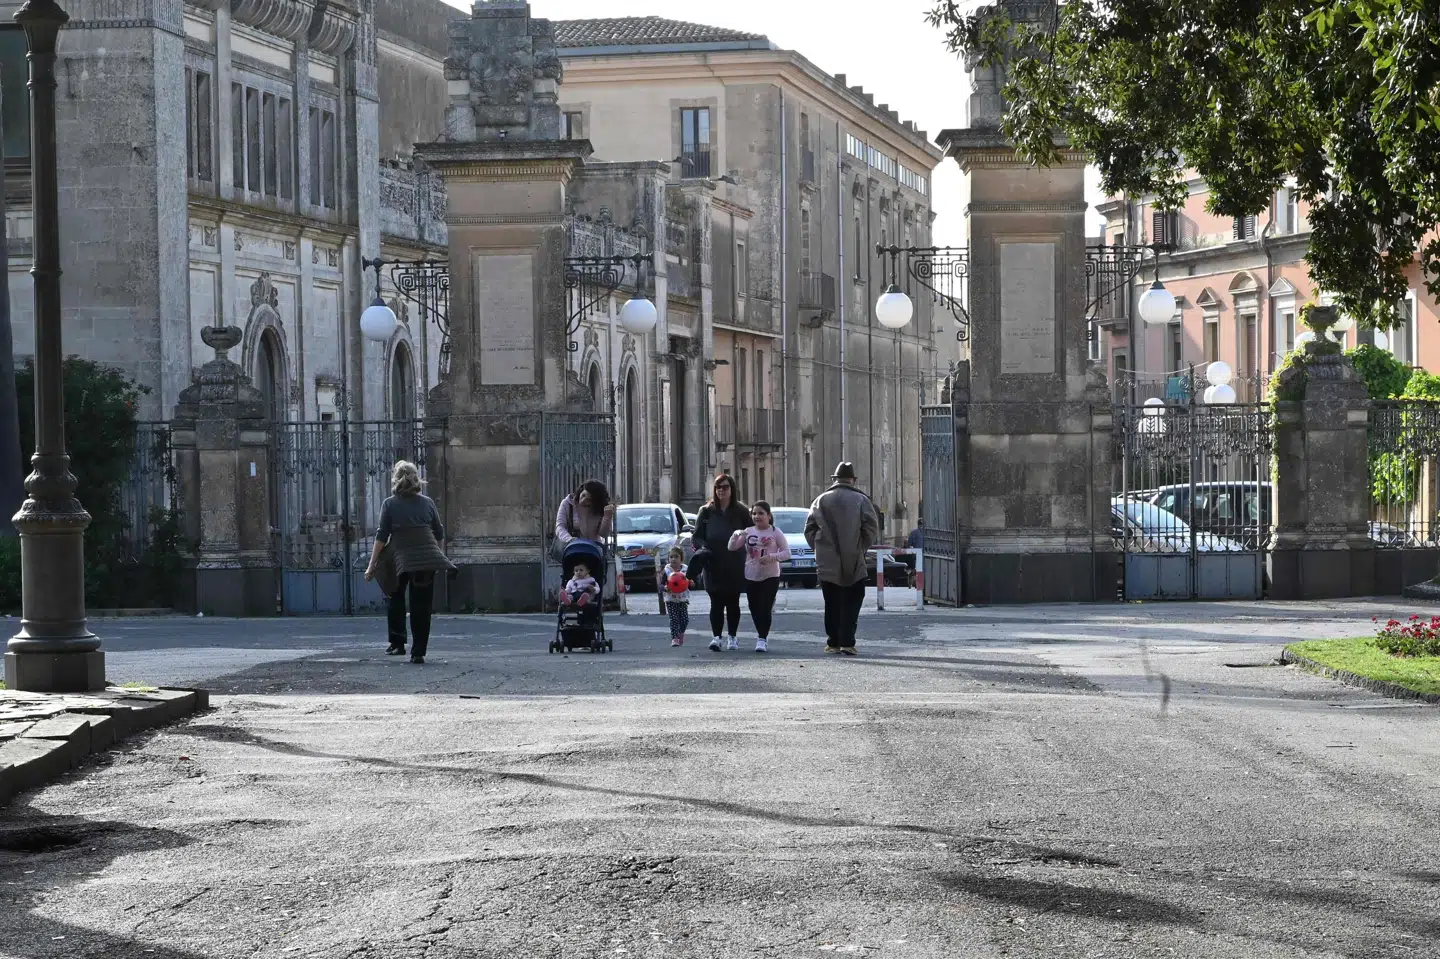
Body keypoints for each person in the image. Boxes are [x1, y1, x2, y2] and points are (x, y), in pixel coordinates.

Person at [365, 461, 456, 665]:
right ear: (416, 478)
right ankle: (418, 652)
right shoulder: (428, 503)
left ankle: (397, 643)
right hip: (427, 558)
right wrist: (437, 555)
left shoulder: (389, 504)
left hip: (400, 560)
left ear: (395, 479)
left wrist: (371, 566)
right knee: (421, 605)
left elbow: (381, 537)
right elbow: (439, 532)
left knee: (394, 595)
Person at [805, 462, 879, 656]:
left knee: (832, 603)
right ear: (853, 480)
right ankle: (848, 642)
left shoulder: (820, 500)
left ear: (835, 479)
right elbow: (871, 528)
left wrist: (820, 548)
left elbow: (809, 530)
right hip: (854, 559)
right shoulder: (862, 500)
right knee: (852, 601)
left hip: (827, 561)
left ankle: (833, 643)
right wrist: (860, 546)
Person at [692, 473, 750, 651]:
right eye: (718, 487)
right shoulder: (706, 511)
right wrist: (704, 548)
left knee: (733, 601)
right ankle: (716, 637)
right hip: (712, 562)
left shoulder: (741, 511)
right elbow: (697, 536)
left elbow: (751, 533)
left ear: (732, 489)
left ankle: (732, 637)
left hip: (734, 562)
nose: (721, 490)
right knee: (716, 602)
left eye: (725, 487)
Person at [728, 501, 791, 653]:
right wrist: (735, 535)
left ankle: (762, 638)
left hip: (770, 576)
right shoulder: (748, 531)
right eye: (754, 513)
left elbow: (787, 553)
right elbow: (732, 547)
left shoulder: (775, 532)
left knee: (765, 608)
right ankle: (760, 632)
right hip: (751, 574)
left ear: (768, 515)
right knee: (754, 607)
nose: (757, 516)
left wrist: (772, 557)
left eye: (761, 513)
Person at [555, 479, 616, 551]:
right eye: (583, 495)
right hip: (572, 548)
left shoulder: (599, 508)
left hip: (593, 549)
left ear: (595, 502)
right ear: (581, 490)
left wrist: (607, 517)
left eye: (588, 500)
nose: (583, 500)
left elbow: (603, 534)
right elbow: (560, 526)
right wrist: (570, 539)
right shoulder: (568, 504)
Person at [661, 546, 692, 647]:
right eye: (671, 557)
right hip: (670, 599)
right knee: (674, 619)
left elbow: (689, 583)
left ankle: (680, 634)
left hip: (683, 599)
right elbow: (661, 585)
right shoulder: (667, 571)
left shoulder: (685, 570)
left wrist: (691, 583)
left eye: (676, 557)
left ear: (681, 559)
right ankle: (674, 638)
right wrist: (665, 588)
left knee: (684, 620)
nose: (673, 559)